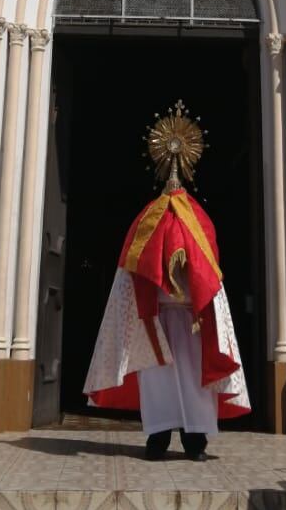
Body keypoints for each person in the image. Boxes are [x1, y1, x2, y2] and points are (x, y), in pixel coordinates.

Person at [84, 102, 249, 460]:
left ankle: (191, 442)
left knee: (190, 383)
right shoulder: (161, 220)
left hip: (189, 319)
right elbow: (135, 269)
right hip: (161, 318)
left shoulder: (175, 220)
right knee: (159, 383)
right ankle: (162, 439)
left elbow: (207, 270)